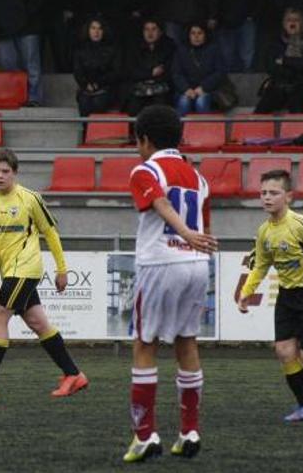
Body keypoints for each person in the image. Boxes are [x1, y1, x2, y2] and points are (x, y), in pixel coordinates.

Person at [122, 105, 218, 462]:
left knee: (145, 343)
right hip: (195, 265)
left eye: (137, 141)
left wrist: (185, 234)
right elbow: (206, 230)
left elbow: (159, 202)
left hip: (160, 263)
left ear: (144, 140)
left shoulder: (145, 169)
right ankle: (189, 430)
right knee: (187, 342)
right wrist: (195, 241)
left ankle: (145, 436)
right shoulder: (198, 177)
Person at [0, 148, 88, 399]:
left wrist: (62, 269)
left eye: (5, 171)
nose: (0, 176)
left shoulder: (30, 198)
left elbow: (50, 233)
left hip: (27, 269)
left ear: (15, 173)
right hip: (10, 274)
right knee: (38, 323)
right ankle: (74, 375)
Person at [236, 169, 303, 423]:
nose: (267, 198)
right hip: (286, 297)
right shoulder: (264, 231)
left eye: (274, 192)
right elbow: (261, 265)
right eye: (263, 193)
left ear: (289, 197)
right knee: (284, 351)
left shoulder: (302, 225)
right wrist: (246, 292)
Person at [0, 0, 44, 106]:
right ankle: (19, 95)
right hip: (3, 28)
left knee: (31, 64)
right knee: (7, 63)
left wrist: (25, 14)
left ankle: (34, 98)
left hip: (28, 26)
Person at [255, 8, 303, 114]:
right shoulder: (275, 41)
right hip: (279, 84)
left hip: (302, 84)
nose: (293, 23)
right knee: (262, 108)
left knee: (296, 102)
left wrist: (285, 61)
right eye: (289, 20)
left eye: (296, 20)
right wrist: (298, 63)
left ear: (302, 23)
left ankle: (299, 130)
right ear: (284, 23)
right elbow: (271, 66)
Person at [122, 19, 177, 116]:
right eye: (146, 29)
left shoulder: (169, 47)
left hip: (161, 87)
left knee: (161, 105)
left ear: (160, 32)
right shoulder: (134, 48)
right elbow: (130, 71)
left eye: (153, 29)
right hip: (138, 87)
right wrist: (150, 73)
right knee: (133, 106)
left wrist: (154, 78)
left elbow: (169, 71)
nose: (150, 33)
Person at [171, 23, 227, 115]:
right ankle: (179, 129)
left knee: (201, 102)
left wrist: (203, 87)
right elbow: (176, 74)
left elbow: (219, 72)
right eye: (193, 33)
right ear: (188, 36)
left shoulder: (213, 50)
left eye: (199, 33)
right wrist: (186, 89)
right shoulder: (181, 51)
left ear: (205, 35)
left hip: (209, 90)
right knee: (184, 102)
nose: (196, 36)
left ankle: (204, 129)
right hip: (186, 90)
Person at [73, 16, 122, 116]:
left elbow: (116, 72)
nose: (96, 32)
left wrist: (98, 83)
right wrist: (86, 84)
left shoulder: (112, 50)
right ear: (88, 30)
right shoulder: (80, 50)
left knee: (98, 102)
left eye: (100, 28)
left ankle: (94, 131)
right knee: (84, 103)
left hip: (106, 88)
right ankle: (85, 131)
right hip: (86, 89)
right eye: (93, 28)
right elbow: (78, 71)